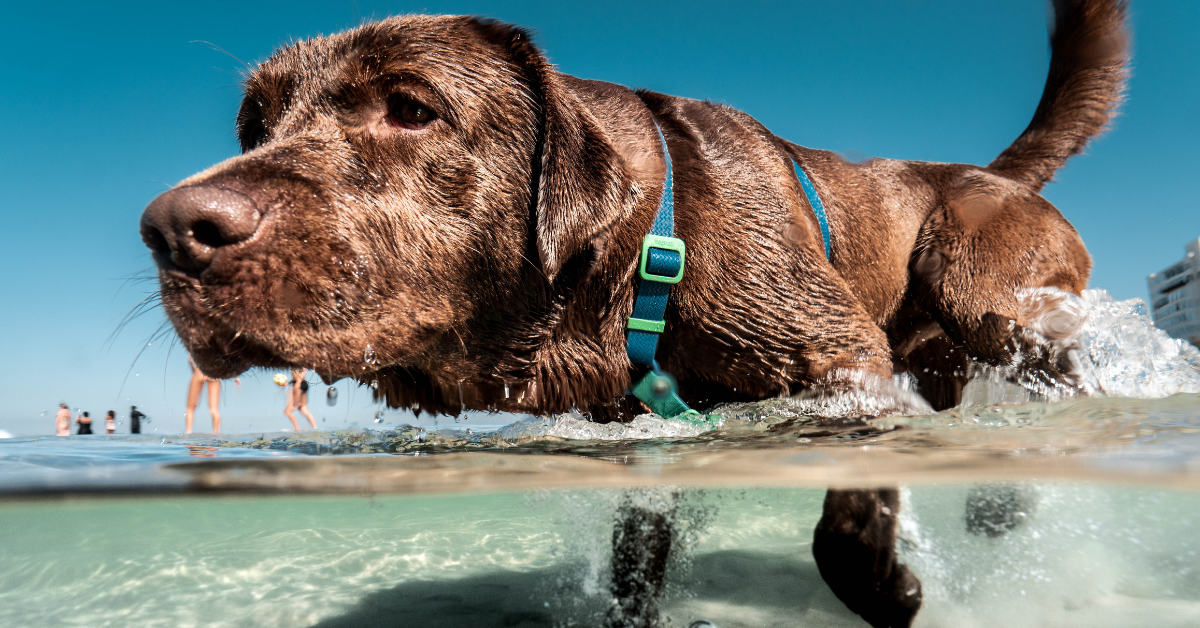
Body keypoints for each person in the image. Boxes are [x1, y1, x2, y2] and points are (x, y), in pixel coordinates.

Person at [185, 355, 222, 434]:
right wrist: (236, 378)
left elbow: (190, 360)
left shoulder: (196, 343)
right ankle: (216, 432)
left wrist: (194, 371)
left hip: (199, 372)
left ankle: (188, 432)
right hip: (214, 374)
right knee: (214, 410)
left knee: (190, 409)